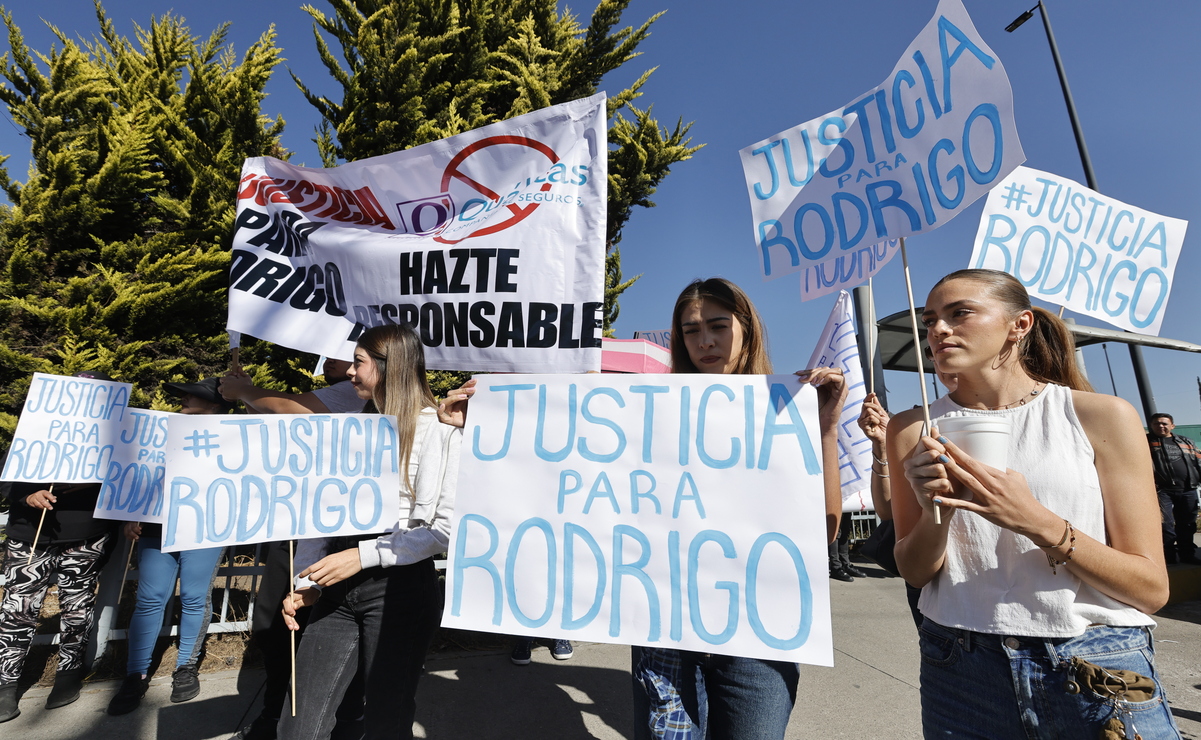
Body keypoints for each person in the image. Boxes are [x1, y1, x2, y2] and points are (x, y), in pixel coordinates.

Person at [440, 278, 846, 740]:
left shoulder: (785, 409)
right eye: (691, 331)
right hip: (667, 632)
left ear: (747, 331)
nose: (705, 341)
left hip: (757, 638)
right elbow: (556, 456)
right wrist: (490, 422)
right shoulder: (646, 410)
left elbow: (824, 533)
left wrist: (827, 429)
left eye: (717, 325)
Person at [890, 269, 1180, 739]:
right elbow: (916, 571)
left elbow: (1150, 588)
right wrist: (934, 511)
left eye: (959, 313)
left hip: (1094, 662)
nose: (938, 330)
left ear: (1019, 324)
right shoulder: (911, 428)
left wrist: (1036, 521)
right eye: (930, 320)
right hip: (960, 666)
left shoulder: (1101, 415)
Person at [278, 324, 460, 740]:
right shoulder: (350, 428)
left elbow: (442, 530)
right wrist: (309, 581)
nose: (350, 373)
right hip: (337, 593)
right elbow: (326, 515)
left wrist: (362, 556)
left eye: (358, 363)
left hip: (400, 593)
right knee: (297, 725)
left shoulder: (441, 429)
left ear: (387, 366)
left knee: (385, 722)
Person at [223, 358, 368, 740]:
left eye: (356, 359)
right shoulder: (338, 389)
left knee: (317, 639)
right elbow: (280, 416)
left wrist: (244, 392)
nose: (345, 366)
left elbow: (288, 408)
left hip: (331, 537)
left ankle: (325, 720)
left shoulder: (353, 395)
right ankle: (277, 715)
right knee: (275, 631)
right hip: (294, 529)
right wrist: (250, 395)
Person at [108, 378, 234, 715]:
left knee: (195, 596)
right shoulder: (159, 431)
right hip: (156, 526)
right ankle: (135, 674)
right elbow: (140, 474)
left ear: (216, 405)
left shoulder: (236, 438)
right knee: (149, 598)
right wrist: (130, 512)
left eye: (194, 395)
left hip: (206, 528)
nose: (185, 398)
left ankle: (185, 667)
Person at [0, 371, 120, 721]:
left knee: (77, 609)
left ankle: (68, 676)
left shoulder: (113, 435)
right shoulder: (38, 424)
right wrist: (28, 494)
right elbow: (9, 473)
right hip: (31, 536)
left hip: (88, 536)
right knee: (17, 611)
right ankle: (6, 684)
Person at [1146, 412, 1201, 565]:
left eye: (1164, 423)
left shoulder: (1186, 441)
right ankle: (1168, 557)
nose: (1161, 426)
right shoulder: (1145, 442)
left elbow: (1198, 462)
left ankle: (1187, 555)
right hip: (1161, 491)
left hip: (1188, 489)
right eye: (1157, 423)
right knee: (1165, 525)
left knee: (1188, 524)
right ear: (1151, 426)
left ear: (1172, 425)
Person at [220, 357, 362, 414]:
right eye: (327, 356)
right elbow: (265, 423)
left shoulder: (354, 390)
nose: (330, 360)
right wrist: (244, 391)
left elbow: (285, 407)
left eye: (341, 355)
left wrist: (242, 390)